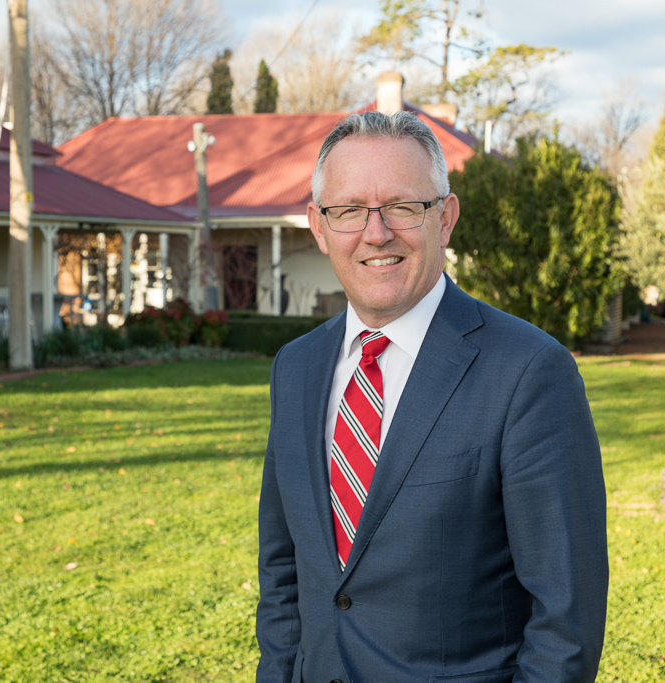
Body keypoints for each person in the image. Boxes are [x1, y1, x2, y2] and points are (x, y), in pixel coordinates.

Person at [255, 110, 608, 683]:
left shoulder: (529, 371)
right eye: (348, 211)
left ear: (445, 218)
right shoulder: (294, 368)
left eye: (403, 206)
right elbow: (284, 574)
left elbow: (566, 617)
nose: (376, 232)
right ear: (319, 227)